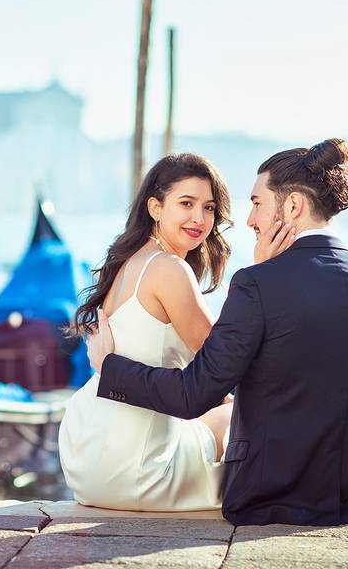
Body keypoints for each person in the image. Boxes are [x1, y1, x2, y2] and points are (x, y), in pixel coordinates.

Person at [87, 139, 348, 526]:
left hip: (273, 493)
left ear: (293, 206)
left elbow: (195, 393)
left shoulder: (257, 284)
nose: (250, 220)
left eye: (257, 203)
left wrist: (110, 367)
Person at [58, 153, 295, 511]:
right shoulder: (169, 269)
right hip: (136, 468)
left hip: (88, 456)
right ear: (155, 207)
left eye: (209, 207)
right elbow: (225, 361)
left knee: (218, 411)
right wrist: (264, 270)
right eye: (186, 203)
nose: (199, 219)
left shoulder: (130, 262)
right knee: (254, 414)